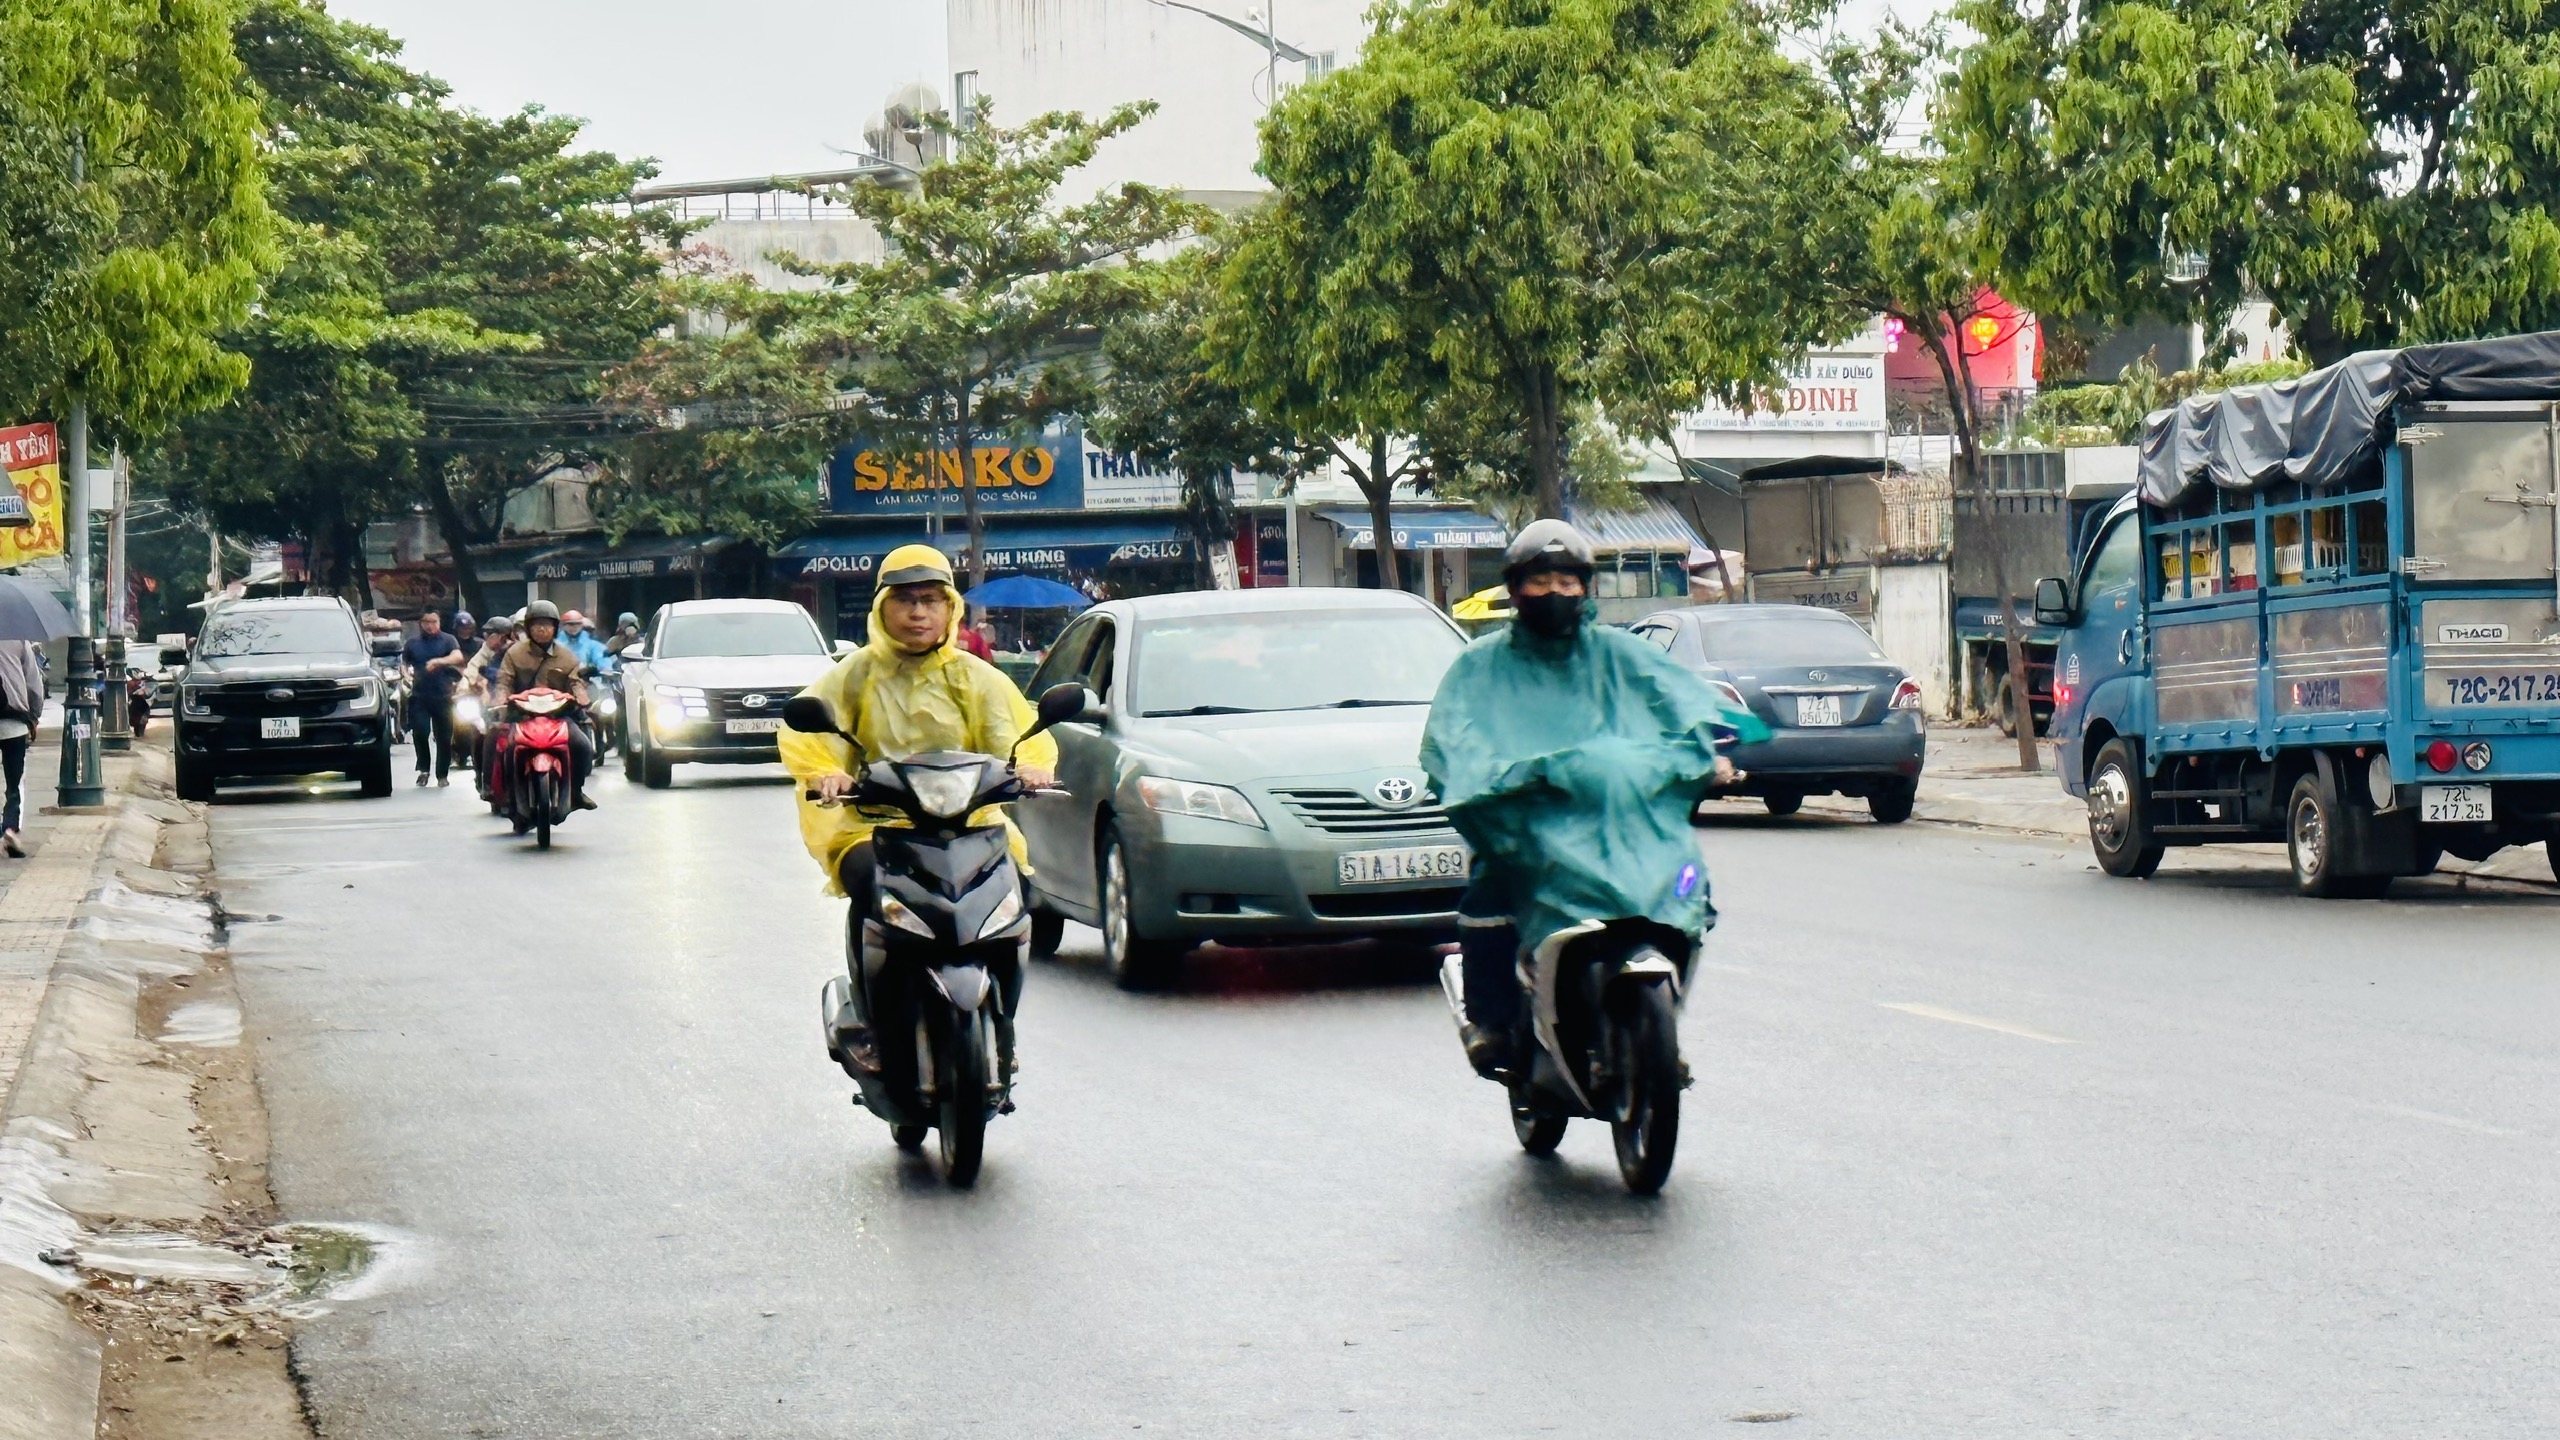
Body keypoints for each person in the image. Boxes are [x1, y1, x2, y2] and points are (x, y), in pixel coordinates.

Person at [1419, 520, 1765, 1076]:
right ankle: (1491, 1017)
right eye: (1540, 580)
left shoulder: (1622, 656)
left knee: (1686, 884)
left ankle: (1660, 1023)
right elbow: (1454, 743)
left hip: (1621, 826)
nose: (1554, 592)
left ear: (1584, 586)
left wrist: (1703, 758)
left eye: (1566, 579)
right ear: (1515, 589)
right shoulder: (1480, 667)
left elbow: (1676, 706)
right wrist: (1494, 782)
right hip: (1532, 828)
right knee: (1490, 884)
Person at [778, 545, 1057, 1073]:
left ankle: (1003, 1028)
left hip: (971, 823)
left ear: (951, 608)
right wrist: (826, 774)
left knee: (1018, 895)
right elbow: (806, 732)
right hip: (878, 827)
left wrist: (1032, 766)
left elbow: (1020, 736)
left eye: (931, 600)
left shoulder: (978, 678)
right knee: (868, 889)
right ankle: (875, 1025)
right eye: (904, 600)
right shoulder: (853, 675)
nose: (918, 612)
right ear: (881, 608)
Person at [491, 600, 597, 809]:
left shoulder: (566, 657)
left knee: (582, 746)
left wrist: (582, 697)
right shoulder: (514, 654)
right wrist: (501, 700)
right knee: (504, 746)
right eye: (537, 624)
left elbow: (575, 681)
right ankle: (506, 792)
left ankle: (576, 791)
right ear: (528, 627)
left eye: (547, 625)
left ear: (555, 628)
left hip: (558, 717)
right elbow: (504, 681)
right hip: (521, 715)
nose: (542, 629)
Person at [402, 610, 469, 787]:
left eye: (434, 621)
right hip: (419, 696)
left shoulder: (448, 640)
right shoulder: (412, 643)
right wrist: (405, 675)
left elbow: (458, 656)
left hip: (443, 695)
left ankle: (442, 774)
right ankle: (424, 769)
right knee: (420, 732)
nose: (431, 625)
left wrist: (439, 662)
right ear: (421, 623)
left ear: (439, 622)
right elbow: (404, 663)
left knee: (444, 737)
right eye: (427, 622)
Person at [0, 640, 41, 857]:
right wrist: (34, 716)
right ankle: (10, 828)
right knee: (15, 782)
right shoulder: (18, 640)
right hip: (14, 722)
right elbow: (34, 684)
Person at [560, 609, 613, 674]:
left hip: (585, 680)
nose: (574, 627)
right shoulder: (556, 643)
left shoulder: (593, 645)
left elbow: (602, 660)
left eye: (577, 624)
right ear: (563, 626)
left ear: (582, 626)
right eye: (570, 624)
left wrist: (603, 669)